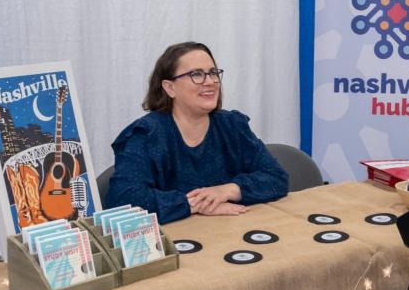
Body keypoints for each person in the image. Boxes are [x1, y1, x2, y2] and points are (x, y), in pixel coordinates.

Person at [105, 41, 288, 223]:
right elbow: (122, 200)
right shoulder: (146, 135)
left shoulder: (232, 125)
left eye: (213, 73)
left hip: (231, 232)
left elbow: (276, 177)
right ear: (170, 88)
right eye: (196, 75)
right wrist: (195, 204)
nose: (209, 82)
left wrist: (228, 190)